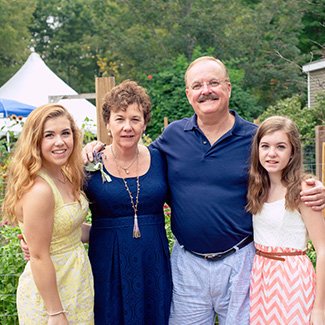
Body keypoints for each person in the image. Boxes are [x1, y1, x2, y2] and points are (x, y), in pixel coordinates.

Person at [83, 56, 325, 325]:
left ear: (228, 88)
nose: (205, 90)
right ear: (188, 94)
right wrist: (96, 148)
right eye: (197, 85)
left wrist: (312, 186)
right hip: (189, 265)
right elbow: (133, 158)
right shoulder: (173, 136)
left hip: (241, 262)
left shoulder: (255, 139)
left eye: (214, 83)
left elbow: (283, 168)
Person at [84, 80, 172, 324]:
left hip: (152, 259)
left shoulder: (161, 159)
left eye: (135, 119)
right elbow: (64, 209)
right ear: (107, 123)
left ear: (144, 123)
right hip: (107, 260)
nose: (127, 127)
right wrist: (42, 240)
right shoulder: (90, 165)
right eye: (119, 118)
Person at [2, 104, 94, 324]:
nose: (60, 142)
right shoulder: (40, 189)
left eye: (65, 133)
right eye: (49, 135)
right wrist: (55, 313)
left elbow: (69, 230)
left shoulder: (64, 174)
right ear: (36, 141)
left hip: (76, 281)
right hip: (51, 294)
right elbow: (39, 255)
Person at [247, 116, 325, 324]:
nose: (271, 153)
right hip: (261, 278)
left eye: (281, 147)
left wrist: (320, 308)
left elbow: (323, 248)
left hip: (293, 280)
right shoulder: (257, 188)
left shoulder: (304, 190)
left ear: (292, 153)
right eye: (265, 146)